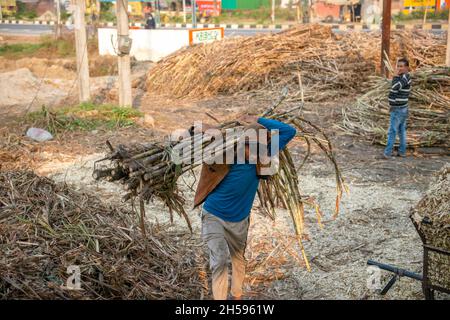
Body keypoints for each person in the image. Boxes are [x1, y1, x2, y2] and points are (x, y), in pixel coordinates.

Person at [193, 115, 296, 300]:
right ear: (242, 143)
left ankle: (237, 296)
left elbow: (290, 131)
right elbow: (201, 129)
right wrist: (208, 129)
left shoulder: (263, 158)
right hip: (213, 215)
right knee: (220, 262)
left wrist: (258, 119)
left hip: (239, 220)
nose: (254, 152)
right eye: (249, 146)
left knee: (238, 259)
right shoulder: (227, 153)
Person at [383, 58, 411, 159]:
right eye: (398, 66)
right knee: (401, 130)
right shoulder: (402, 77)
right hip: (401, 108)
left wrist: (394, 76)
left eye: (401, 66)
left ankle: (387, 153)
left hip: (398, 108)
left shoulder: (406, 77)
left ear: (407, 67)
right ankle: (402, 152)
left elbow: (395, 87)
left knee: (393, 131)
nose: (399, 68)